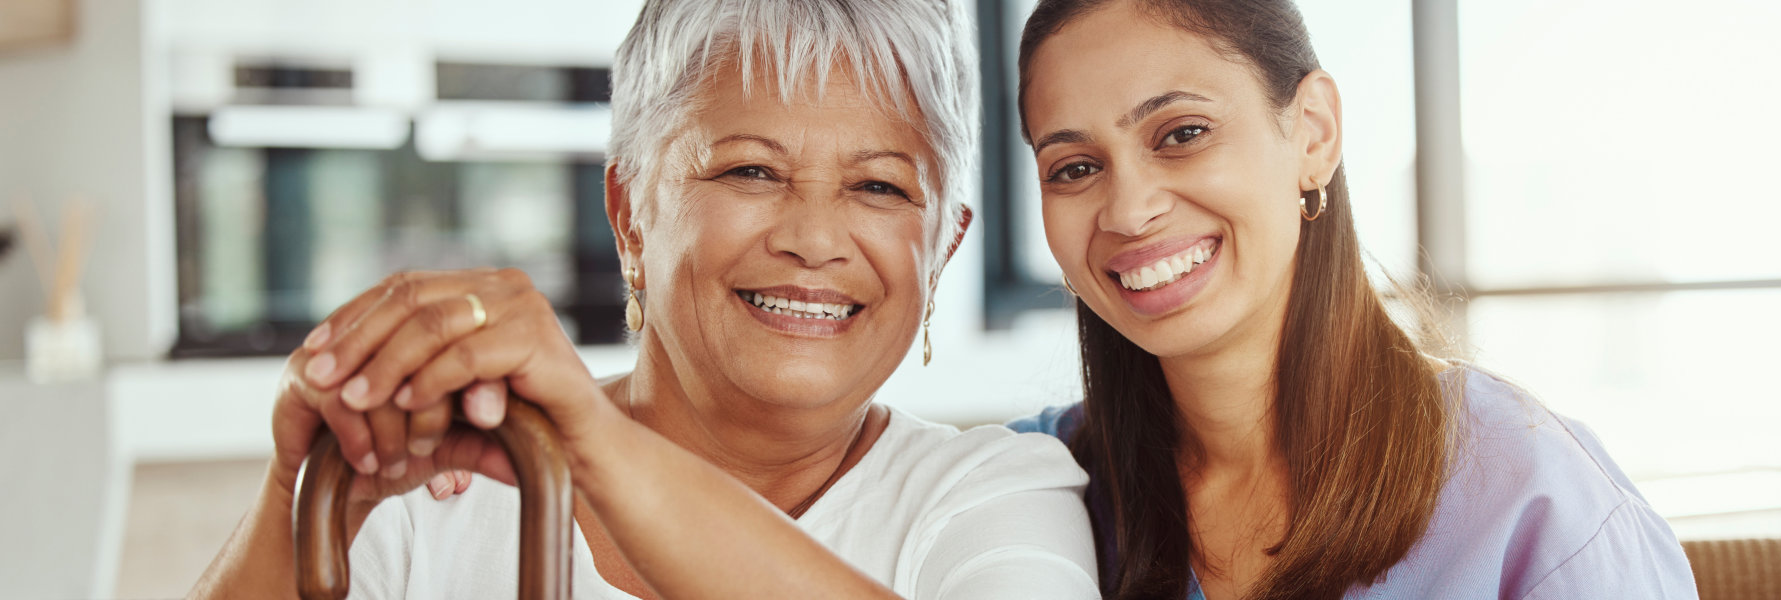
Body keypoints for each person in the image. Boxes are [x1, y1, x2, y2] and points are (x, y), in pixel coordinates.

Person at [189, 1, 1100, 598]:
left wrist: (596, 445)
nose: (814, 238)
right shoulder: (438, 493)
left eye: (879, 188)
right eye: (750, 170)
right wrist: (300, 496)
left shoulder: (996, 494)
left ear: (944, 244)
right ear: (628, 212)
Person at [1007, 0, 1698, 598]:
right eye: (1075, 169)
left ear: (1313, 132)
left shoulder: (1522, 485)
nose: (1128, 211)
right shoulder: (1027, 488)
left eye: (1183, 133)